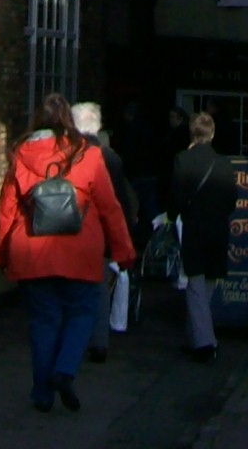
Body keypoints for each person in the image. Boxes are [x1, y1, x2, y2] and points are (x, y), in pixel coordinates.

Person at [0, 93, 136, 413]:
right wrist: (123, 250)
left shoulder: (21, 155)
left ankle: (42, 394)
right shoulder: (88, 155)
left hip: (31, 252)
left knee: (43, 322)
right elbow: (109, 208)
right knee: (83, 312)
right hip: (79, 251)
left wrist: (3, 254)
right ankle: (65, 370)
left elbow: (7, 209)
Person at [165, 111, 238, 362]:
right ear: (213, 134)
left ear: (191, 133)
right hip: (218, 229)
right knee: (206, 286)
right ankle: (193, 337)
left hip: (195, 228)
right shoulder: (225, 163)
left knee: (195, 285)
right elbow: (232, 200)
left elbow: (175, 197)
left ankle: (205, 343)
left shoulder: (182, 160)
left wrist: (173, 215)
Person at [71, 101, 137, 363]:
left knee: (73, 290)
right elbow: (118, 203)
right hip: (99, 237)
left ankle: (73, 339)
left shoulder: (68, 155)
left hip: (69, 232)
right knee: (98, 290)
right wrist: (124, 240)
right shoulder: (110, 159)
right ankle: (98, 341)